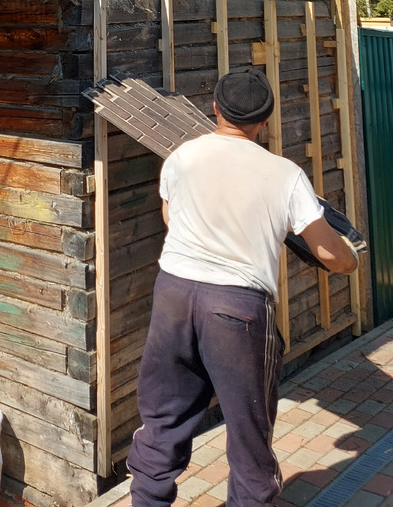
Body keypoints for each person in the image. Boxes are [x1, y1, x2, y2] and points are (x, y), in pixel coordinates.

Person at [127, 69, 360, 507]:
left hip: (173, 294)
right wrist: (351, 260)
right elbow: (329, 252)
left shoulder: (182, 157)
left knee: (163, 418)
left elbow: (170, 218)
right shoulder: (285, 175)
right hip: (237, 308)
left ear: (215, 108)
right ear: (264, 121)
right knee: (249, 432)